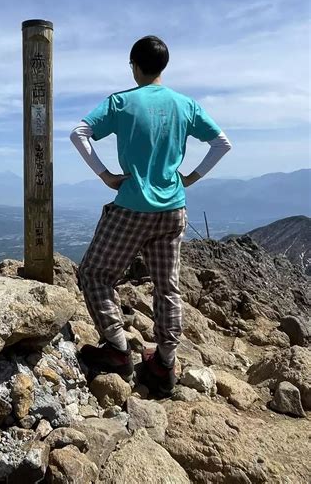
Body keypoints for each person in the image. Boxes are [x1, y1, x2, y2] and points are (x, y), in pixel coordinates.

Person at [70, 35, 231, 397]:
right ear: (163, 67)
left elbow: (79, 133)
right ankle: (164, 362)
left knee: (94, 273)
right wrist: (191, 177)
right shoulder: (186, 105)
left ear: (134, 66)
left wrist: (105, 175)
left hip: (131, 207)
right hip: (173, 208)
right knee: (167, 285)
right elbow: (222, 143)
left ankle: (117, 349)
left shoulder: (122, 102)